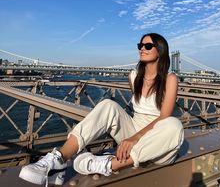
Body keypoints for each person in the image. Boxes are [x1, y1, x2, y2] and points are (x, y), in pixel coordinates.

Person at [19, 33, 184, 186]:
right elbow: (138, 110)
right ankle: (59, 160)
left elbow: (164, 117)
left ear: (160, 51)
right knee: (108, 105)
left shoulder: (170, 78)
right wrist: (131, 138)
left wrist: (134, 139)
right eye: (140, 45)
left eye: (148, 46)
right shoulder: (133, 77)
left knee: (174, 125)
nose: (142, 48)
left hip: (158, 143)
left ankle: (109, 164)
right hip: (133, 134)